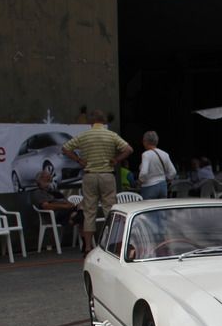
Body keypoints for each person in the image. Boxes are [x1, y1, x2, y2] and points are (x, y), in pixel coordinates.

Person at [62, 109, 132, 255]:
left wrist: (79, 160)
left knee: (89, 211)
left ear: (90, 122)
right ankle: (112, 244)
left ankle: (88, 247)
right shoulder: (111, 135)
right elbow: (128, 149)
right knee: (110, 209)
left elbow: (65, 148)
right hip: (107, 175)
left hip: (90, 175)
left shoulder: (84, 136)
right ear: (104, 121)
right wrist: (116, 160)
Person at [138, 131, 177, 200]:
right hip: (163, 186)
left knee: (149, 209)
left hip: (149, 187)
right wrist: (167, 180)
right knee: (161, 209)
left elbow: (144, 172)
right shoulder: (165, 154)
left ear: (145, 141)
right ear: (156, 141)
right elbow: (173, 172)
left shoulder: (146, 154)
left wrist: (139, 181)